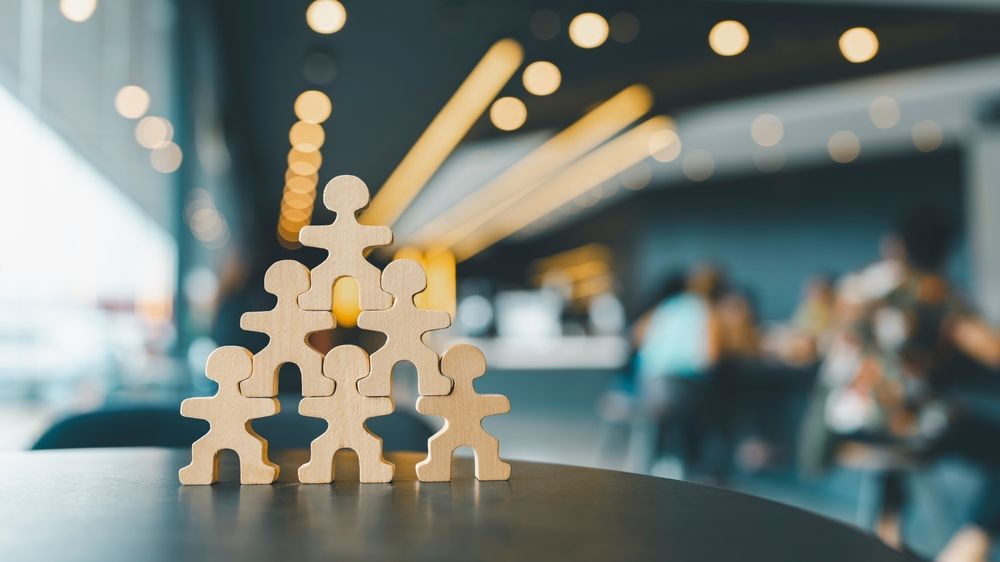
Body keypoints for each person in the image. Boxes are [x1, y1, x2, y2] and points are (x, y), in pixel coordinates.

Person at [800, 207, 1000, 557]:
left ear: (895, 245)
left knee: (905, 434)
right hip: (904, 427)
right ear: (945, 252)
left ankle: (887, 536)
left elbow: (819, 341)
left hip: (843, 425)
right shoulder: (938, 293)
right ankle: (969, 547)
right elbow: (992, 350)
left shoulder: (857, 286)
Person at [631, 263, 725, 478]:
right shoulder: (707, 311)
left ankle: (657, 464)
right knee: (722, 404)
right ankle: (699, 468)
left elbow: (636, 335)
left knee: (667, 422)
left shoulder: (669, 305)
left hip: (649, 387)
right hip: (682, 391)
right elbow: (711, 358)